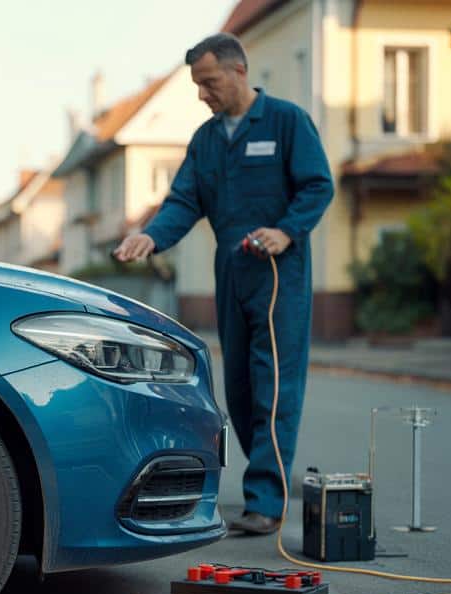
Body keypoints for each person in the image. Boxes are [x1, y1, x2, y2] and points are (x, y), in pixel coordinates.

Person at [115, 33, 333, 535]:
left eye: (208, 82)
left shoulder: (285, 122)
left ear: (238, 72)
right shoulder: (207, 140)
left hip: (279, 275)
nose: (201, 94)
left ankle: (266, 502)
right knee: (237, 387)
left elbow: (318, 185)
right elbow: (184, 201)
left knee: (273, 388)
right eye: (197, 84)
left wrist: (285, 230)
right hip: (230, 273)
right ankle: (257, 495)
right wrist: (150, 237)